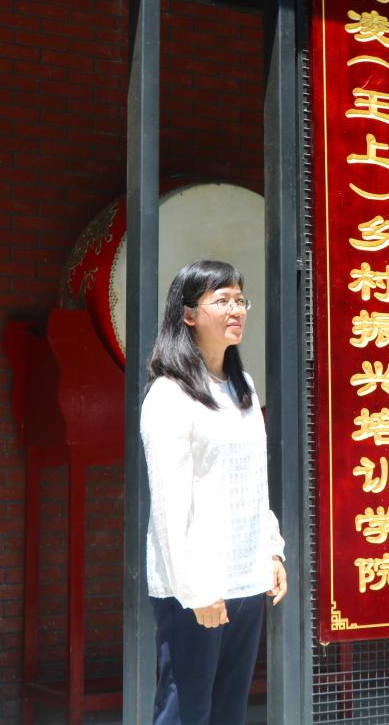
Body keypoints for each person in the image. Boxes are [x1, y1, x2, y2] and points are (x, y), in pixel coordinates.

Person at [141, 259, 287, 725]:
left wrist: (271, 550)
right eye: (221, 300)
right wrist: (194, 587)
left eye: (240, 300)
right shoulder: (170, 395)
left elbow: (254, 481)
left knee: (229, 711)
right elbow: (169, 504)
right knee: (185, 711)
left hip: (244, 575)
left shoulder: (242, 386)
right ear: (188, 314)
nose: (236, 310)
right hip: (196, 584)